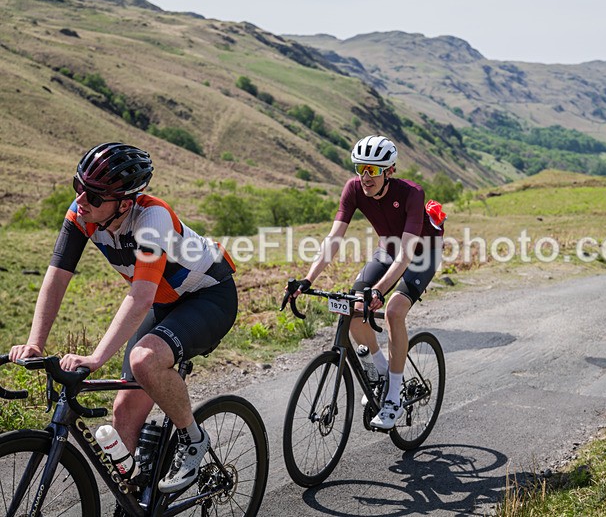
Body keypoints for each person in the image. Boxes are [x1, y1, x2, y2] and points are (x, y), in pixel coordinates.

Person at [8, 143, 238, 493]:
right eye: (78, 186)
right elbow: (57, 276)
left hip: (210, 296)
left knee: (144, 360)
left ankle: (192, 439)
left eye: (95, 196)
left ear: (125, 204)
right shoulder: (83, 214)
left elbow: (141, 296)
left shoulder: (152, 218)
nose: (82, 199)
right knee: (123, 413)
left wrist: (96, 358)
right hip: (166, 302)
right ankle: (132, 500)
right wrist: (35, 342)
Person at [289, 135, 444, 430]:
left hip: (421, 255)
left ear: (389, 171)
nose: (365, 176)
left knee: (393, 312)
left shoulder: (412, 193)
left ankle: (394, 397)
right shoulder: (353, 189)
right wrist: (307, 280)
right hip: (387, 250)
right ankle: (381, 371)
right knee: (350, 309)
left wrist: (380, 291)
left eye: (373, 170)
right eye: (361, 168)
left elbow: (407, 255)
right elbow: (333, 240)